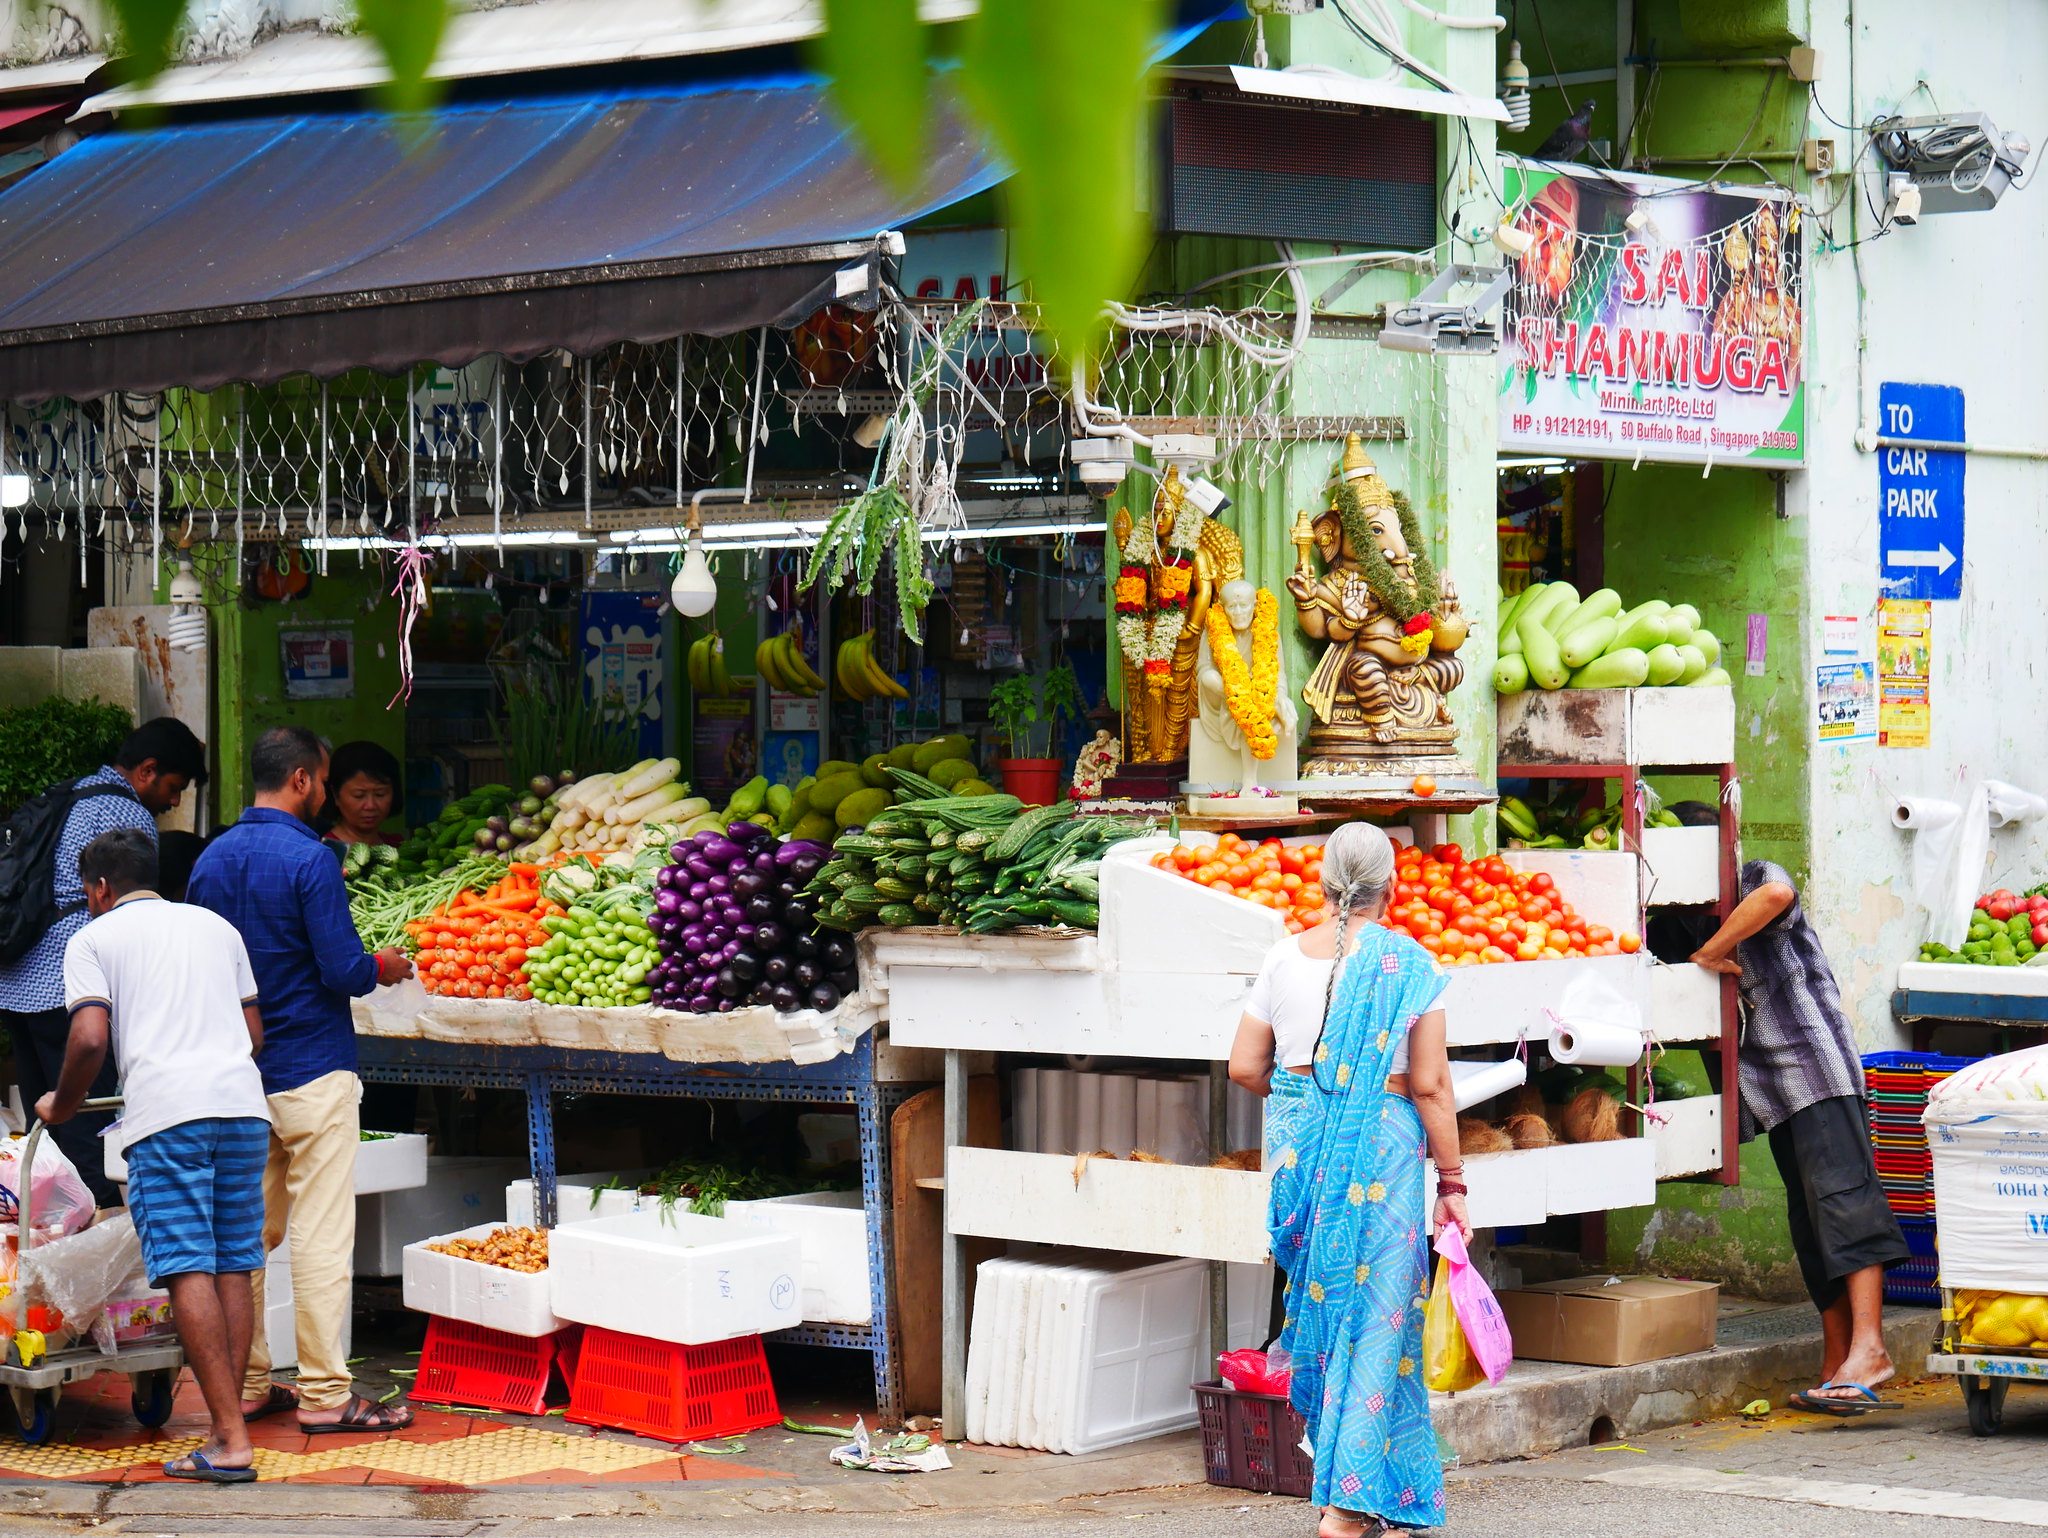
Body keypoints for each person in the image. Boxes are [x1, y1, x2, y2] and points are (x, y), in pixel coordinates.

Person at [1229, 824, 1467, 1538]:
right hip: (1383, 1158)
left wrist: (1311, 1106)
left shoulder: (1278, 958)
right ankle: (1349, 1503)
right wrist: (1452, 1181)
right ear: (1390, 890)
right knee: (1377, 1326)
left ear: (1323, 883)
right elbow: (1428, 1085)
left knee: (1332, 1315)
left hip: (1304, 1159)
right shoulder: (1411, 963)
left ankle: (1366, 1487)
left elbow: (1244, 1068)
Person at [186, 726, 416, 1434]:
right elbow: (344, 971)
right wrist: (386, 964)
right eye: (320, 780)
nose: (323, 793)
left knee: (247, 1238)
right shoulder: (312, 859)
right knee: (320, 1235)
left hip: (241, 1077)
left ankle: (251, 1382)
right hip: (313, 1070)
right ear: (300, 782)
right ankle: (324, 1394)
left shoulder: (211, 859)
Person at [39, 828, 268, 1482]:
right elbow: (253, 1032)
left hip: (169, 1115)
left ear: (101, 888)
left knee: (186, 1261)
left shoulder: (92, 938)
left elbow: (88, 1036)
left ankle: (229, 1443)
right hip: (243, 1108)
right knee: (233, 1260)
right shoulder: (215, 928)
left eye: (88, 893)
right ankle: (232, 1431)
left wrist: (61, 1105)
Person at [1690, 858, 1910, 1416]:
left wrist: (1715, 950)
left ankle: (1872, 1349)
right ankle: (1838, 1362)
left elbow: (1777, 894)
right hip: (1776, 1093)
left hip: (1818, 1071)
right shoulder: (1685, 916)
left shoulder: (1752, 878)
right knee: (1811, 1224)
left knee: (1845, 1204)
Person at [0, 717, 207, 1209]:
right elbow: (130, 916)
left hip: (16, 984)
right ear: (148, 770)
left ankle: (50, 1240)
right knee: (87, 1126)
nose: (174, 802)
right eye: (174, 788)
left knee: (45, 1126)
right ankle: (94, 1247)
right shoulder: (122, 814)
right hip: (69, 987)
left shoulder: (67, 793)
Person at [321, 740, 404, 849]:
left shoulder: (398, 845)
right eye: (359, 795)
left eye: (380, 794)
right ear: (335, 795)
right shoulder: (327, 852)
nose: (370, 806)